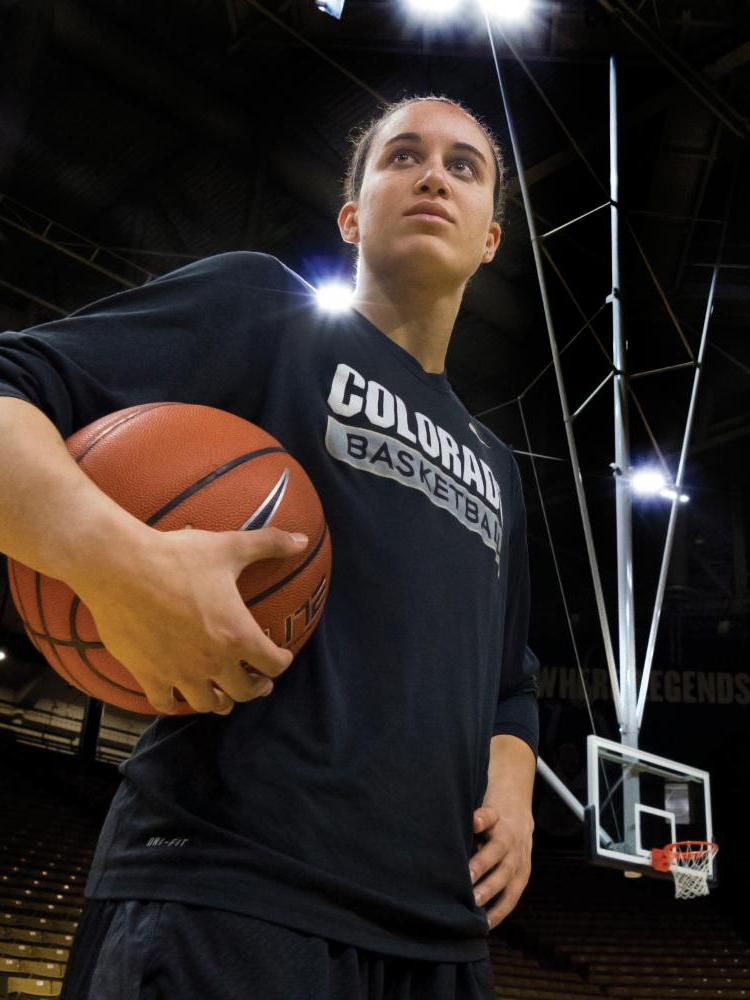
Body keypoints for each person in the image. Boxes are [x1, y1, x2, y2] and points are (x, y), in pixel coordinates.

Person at [0, 94, 539, 999]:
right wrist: (114, 560)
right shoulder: (265, 311)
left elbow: (508, 679)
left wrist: (514, 782)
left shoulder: (498, 465)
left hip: (443, 938)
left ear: (490, 239)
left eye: (464, 165)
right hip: (231, 892)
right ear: (352, 213)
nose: (434, 175)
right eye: (403, 156)